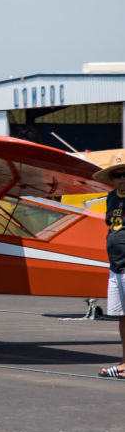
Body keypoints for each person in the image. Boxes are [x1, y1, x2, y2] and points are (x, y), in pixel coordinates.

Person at [98, 155, 125, 379]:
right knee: (122, 316)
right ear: (112, 178)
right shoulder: (111, 198)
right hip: (115, 266)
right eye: (118, 174)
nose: (123, 178)